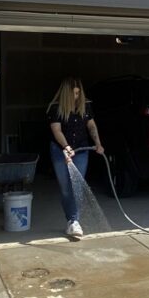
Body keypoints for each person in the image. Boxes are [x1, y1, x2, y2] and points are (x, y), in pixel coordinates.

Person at [47, 77, 104, 240]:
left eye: (79, 94)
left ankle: (74, 221)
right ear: (66, 94)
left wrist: (98, 143)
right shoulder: (56, 108)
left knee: (76, 185)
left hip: (81, 149)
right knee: (66, 188)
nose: (76, 97)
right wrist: (66, 147)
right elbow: (57, 131)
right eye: (73, 94)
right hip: (60, 151)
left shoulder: (85, 106)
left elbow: (91, 125)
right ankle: (71, 220)